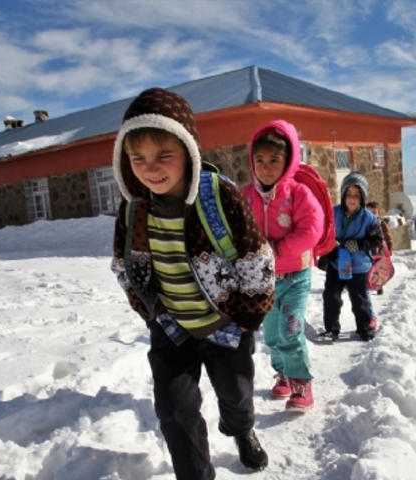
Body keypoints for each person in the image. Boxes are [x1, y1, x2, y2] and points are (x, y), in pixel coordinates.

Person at [110, 88, 275, 479]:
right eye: (137, 157)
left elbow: (256, 261)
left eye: (163, 154)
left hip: (225, 326)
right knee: (174, 411)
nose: (150, 168)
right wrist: (151, 310)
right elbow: (124, 266)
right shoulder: (134, 210)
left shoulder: (220, 199)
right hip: (172, 329)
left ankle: (241, 430)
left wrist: (246, 320)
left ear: (188, 150)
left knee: (236, 396)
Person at [242, 120, 322, 412]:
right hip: (263, 279)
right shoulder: (246, 196)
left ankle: (301, 382)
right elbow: (236, 229)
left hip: (296, 276)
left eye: (274, 160)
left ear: (288, 161)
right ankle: (284, 373)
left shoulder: (298, 194)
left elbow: (311, 230)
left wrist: (278, 248)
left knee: (290, 329)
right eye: (260, 160)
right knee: (273, 334)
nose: (265, 168)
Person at [320, 173, 383, 342]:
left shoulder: (369, 218)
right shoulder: (332, 213)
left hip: (358, 264)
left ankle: (364, 328)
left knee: (359, 298)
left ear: (363, 197)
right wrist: (329, 251)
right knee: (331, 296)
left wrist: (359, 244)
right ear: (343, 194)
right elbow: (324, 233)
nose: (352, 199)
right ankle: (331, 329)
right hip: (336, 262)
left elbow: (377, 240)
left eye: (357, 195)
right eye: (348, 194)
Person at [366, 201, 392, 295]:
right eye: (369, 212)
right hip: (368, 250)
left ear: (379, 213)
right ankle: (368, 284)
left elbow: (388, 237)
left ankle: (379, 286)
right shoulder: (364, 224)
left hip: (380, 251)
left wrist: (389, 249)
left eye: (374, 212)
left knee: (379, 270)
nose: (371, 215)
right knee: (368, 268)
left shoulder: (382, 224)